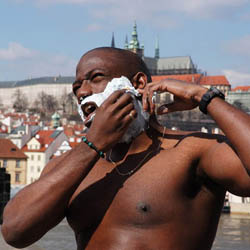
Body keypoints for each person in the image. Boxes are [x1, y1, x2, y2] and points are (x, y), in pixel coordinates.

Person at [1, 47, 250, 250]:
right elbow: (15, 232)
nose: (83, 92)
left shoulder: (191, 150)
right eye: (76, 87)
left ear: (138, 83)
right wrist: (94, 145)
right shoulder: (73, 164)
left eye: (96, 78)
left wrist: (205, 98)